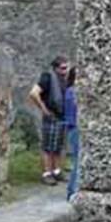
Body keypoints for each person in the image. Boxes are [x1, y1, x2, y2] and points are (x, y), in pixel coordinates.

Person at [28, 56, 69, 185]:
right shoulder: (47, 77)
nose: (65, 71)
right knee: (48, 146)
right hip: (52, 115)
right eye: (63, 68)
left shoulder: (63, 79)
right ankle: (46, 173)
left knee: (58, 145)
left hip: (61, 115)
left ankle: (56, 171)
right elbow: (34, 93)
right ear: (56, 68)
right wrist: (43, 108)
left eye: (67, 68)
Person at [64, 65, 80, 202]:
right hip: (76, 127)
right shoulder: (72, 92)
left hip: (73, 128)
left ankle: (72, 190)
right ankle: (73, 191)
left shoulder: (70, 91)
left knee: (77, 159)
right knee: (78, 160)